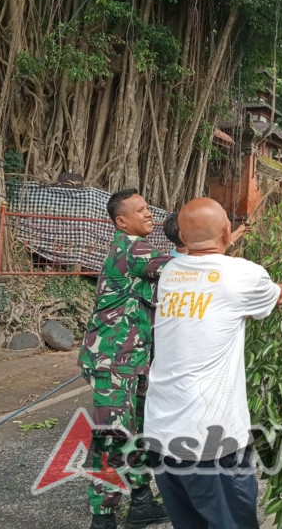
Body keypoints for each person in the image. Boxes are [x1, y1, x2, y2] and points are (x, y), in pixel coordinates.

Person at [144, 198, 282, 529]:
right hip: (210, 442)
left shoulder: (171, 272)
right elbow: (281, 296)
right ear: (227, 232)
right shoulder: (244, 274)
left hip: (161, 434)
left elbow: (215, 290)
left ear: (181, 239)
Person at [77, 189, 172, 529]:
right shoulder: (133, 249)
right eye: (141, 209)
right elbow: (184, 269)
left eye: (148, 208)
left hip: (132, 359)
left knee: (137, 432)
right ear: (121, 221)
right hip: (113, 360)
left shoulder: (134, 248)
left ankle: (142, 501)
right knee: (115, 436)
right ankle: (102, 518)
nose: (149, 214)